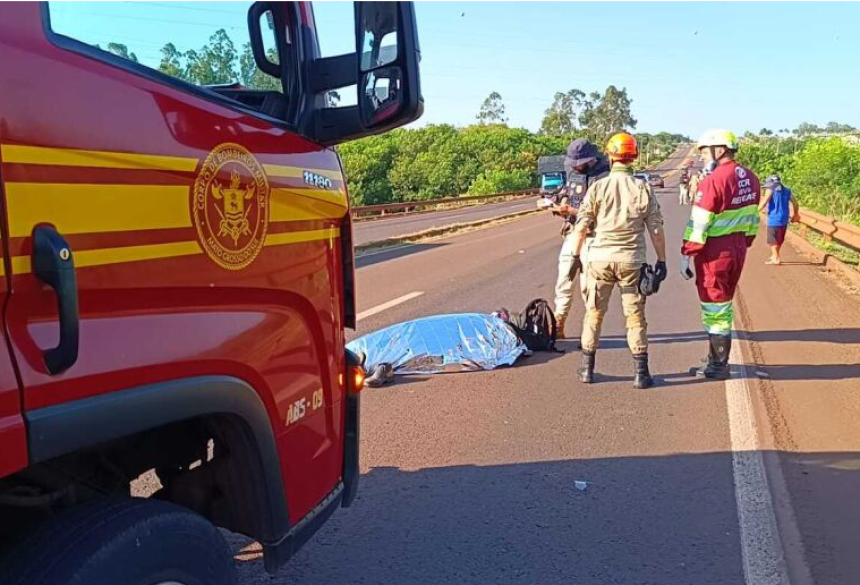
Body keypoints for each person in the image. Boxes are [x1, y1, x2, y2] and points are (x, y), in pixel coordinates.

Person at [570, 132, 667, 389]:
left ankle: (587, 369)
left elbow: (581, 227)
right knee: (635, 316)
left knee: (593, 313)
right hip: (631, 261)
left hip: (599, 259)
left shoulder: (598, 188)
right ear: (633, 156)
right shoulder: (642, 188)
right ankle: (641, 373)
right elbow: (655, 229)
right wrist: (662, 261)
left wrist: (574, 257)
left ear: (611, 156)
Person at [680, 129, 760, 379]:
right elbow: (752, 218)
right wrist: (743, 242)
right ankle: (715, 357)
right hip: (737, 248)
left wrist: (687, 252)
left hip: (715, 252)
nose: (702, 155)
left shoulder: (713, 180)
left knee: (715, 307)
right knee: (722, 303)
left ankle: (718, 366)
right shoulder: (750, 176)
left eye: (704, 150)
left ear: (719, 149)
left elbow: (699, 222)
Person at [549, 138, 610, 339]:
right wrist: (560, 205)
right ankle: (558, 323)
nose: (575, 167)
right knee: (564, 278)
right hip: (574, 233)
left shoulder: (605, 177)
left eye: (578, 163)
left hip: (594, 238)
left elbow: (603, 213)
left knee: (589, 286)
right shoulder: (574, 173)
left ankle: (589, 332)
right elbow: (566, 193)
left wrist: (572, 210)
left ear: (591, 159)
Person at [758, 174, 800, 265]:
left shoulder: (770, 189)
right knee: (779, 238)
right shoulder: (787, 190)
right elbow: (795, 203)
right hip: (784, 218)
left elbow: (764, 202)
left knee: (772, 239)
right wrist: (796, 214)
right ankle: (775, 255)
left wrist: (754, 212)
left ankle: (776, 258)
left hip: (773, 218)